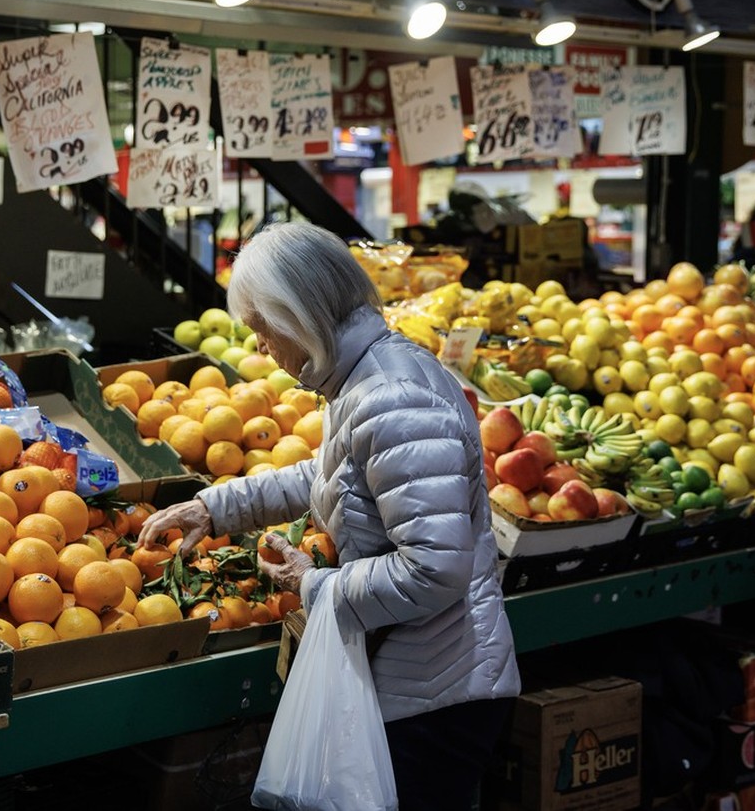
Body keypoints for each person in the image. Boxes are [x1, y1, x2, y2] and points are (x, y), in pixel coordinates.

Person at [139, 221, 521, 811]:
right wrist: (213, 508)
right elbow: (329, 477)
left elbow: (435, 570)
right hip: (416, 676)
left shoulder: (395, 398)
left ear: (298, 316)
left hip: (437, 694)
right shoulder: (366, 379)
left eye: (262, 329)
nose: (260, 348)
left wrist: (313, 585)